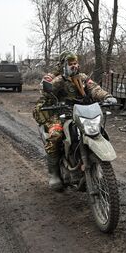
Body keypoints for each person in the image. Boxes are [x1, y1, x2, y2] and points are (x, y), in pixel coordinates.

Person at [33, 51, 117, 191]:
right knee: (55, 135)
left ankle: (94, 164)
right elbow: (47, 90)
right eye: (70, 64)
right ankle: (54, 173)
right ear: (63, 65)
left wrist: (106, 96)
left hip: (82, 112)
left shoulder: (82, 78)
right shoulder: (56, 78)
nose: (74, 66)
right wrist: (62, 78)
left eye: (75, 63)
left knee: (97, 131)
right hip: (61, 113)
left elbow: (94, 88)